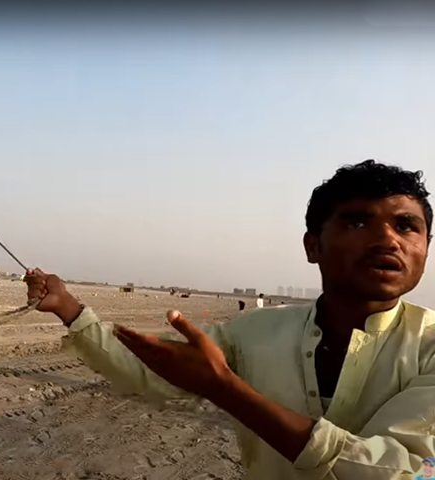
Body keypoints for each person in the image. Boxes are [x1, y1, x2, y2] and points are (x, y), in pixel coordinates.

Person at [25, 160, 435, 479]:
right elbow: (152, 373)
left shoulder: (429, 347)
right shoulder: (255, 332)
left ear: (426, 248)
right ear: (313, 246)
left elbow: (409, 472)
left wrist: (225, 389)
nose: (387, 239)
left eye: (406, 225)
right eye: (358, 221)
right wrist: (70, 309)